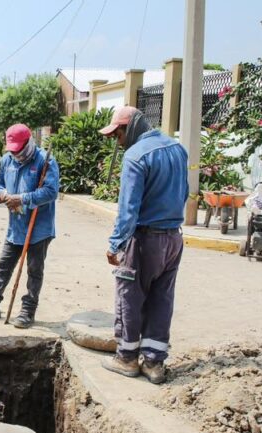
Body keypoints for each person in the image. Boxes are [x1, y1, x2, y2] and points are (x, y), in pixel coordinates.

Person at [98, 106, 188, 385]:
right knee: (162, 297)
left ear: (130, 128)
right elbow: (184, 192)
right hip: (173, 238)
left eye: (119, 134)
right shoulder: (177, 149)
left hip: (144, 239)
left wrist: (116, 244)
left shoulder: (135, 156)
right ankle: (154, 362)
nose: (118, 141)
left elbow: (128, 209)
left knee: (130, 296)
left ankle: (126, 357)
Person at [0, 124, 59, 328]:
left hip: (38, 228)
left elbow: (51, 192)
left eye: (19, 149)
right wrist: (1, 193)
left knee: (34, 270)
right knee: (4, 266)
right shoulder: (7, 160)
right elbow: (0, 183)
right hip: (15, 227)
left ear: (28, 142)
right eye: (12, 149)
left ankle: (28, 311)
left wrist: (22, 198)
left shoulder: (45, 161)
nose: (16, 153)